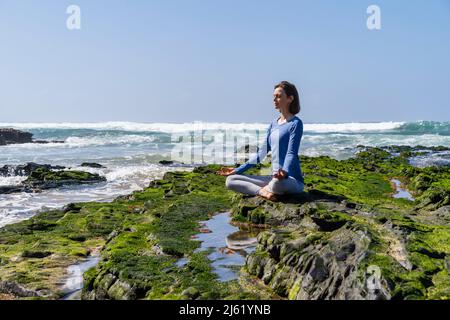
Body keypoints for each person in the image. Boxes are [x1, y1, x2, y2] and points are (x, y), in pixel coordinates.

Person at [217, 81, 304, 201]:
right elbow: (260, 154)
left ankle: (267, 188)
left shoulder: (295, 123)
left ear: (290, 98)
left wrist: (284, 172)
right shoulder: (273, 124)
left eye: (278, 96)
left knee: (278, 184)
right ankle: (263, 192)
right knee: (230, 180)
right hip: (273, 178)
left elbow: (291, 153)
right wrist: (236, 170)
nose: (274, 99)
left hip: (291, 180)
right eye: (274, 96)